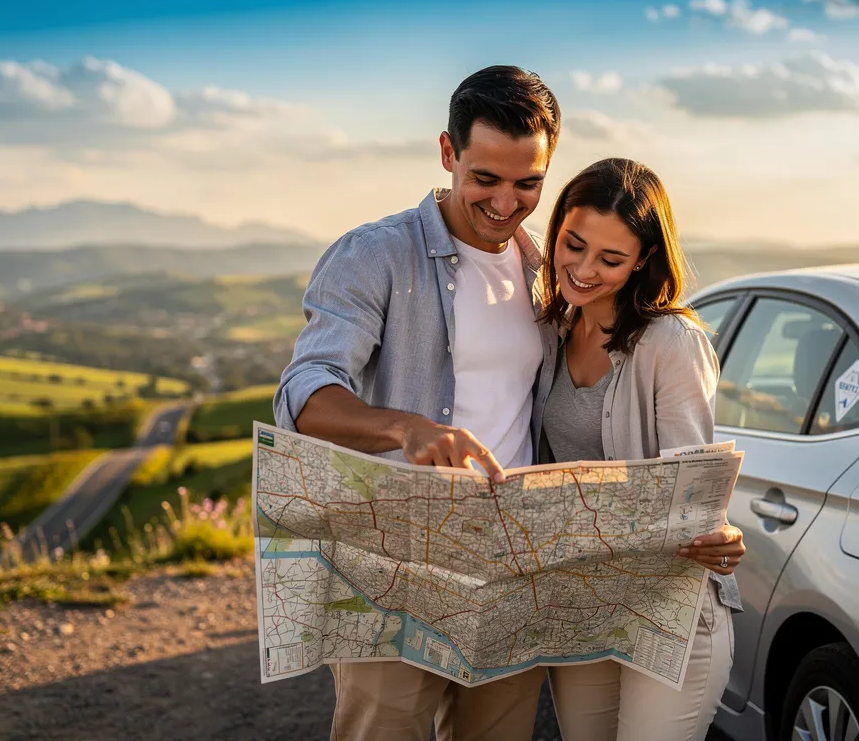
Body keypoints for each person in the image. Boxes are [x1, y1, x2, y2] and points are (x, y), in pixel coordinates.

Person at [272, 65, 560, 741]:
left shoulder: (544, 271)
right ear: (447, 152)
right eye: (484, 178)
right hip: (392, 566)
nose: (505, 202)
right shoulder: (374, 255)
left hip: (511, 564)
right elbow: (303, 394)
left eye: (528, 184)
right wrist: (407, 427)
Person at [536, 158, 745, 741]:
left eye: (610, 259)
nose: (581, 270)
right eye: (573, 245)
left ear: (644, 260)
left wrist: (717, 534)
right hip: (583, 601)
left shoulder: (671, 343)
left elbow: (690, 485)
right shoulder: (549, 330)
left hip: (667, 609)